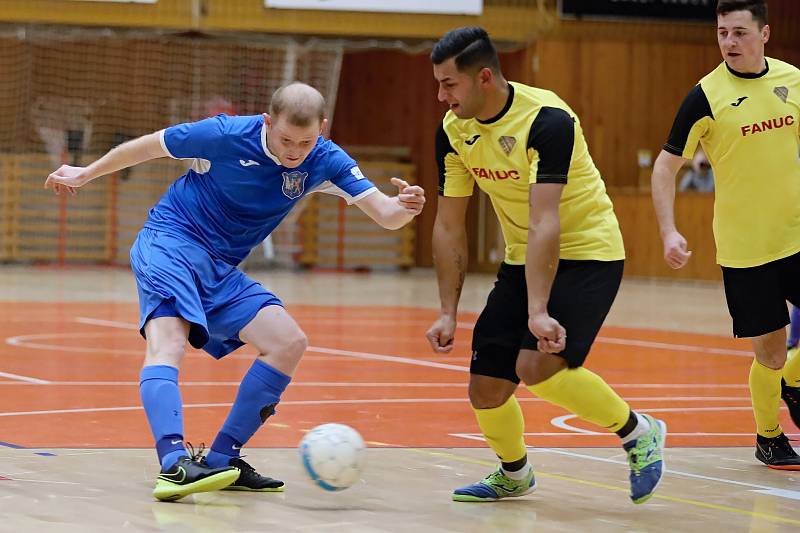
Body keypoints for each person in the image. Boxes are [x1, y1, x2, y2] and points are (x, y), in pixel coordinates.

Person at [44, 82, 425, 501]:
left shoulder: (325, 159)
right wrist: (85, 173)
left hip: (221, 269)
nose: (295, 150)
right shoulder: (225, 134)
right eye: (285, 139)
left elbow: (386, 215)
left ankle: (223, 459)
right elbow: (151, 145)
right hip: (171, 243)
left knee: (287, 342)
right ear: (267, 123)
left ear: (323, 128)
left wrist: (405, 207)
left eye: (306, 140)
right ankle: (173, 464)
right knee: (168, 343)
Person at [424, 26, 666, 505]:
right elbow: (450, 225)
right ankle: (514, 474)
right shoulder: (454, 132)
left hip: (588, 254)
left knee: (537, 366)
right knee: (486, 388)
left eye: (449, 84)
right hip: (523, 256)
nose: (440, 96)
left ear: (484, 78)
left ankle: (639, 431)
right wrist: (447, 311)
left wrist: (538, 310)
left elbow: (545, 220)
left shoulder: (548, 120)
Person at [651, 0, 800, 467]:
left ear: (765, 34)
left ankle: (793, 382)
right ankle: (769, 436)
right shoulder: (705, 96)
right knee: (771, 353)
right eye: (722, 33)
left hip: (796, 236)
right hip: (746, 248)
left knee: (785, 362)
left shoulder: (792, 80)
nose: (730, 43)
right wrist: (669, 231)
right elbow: (665, 166)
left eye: (739, 33)